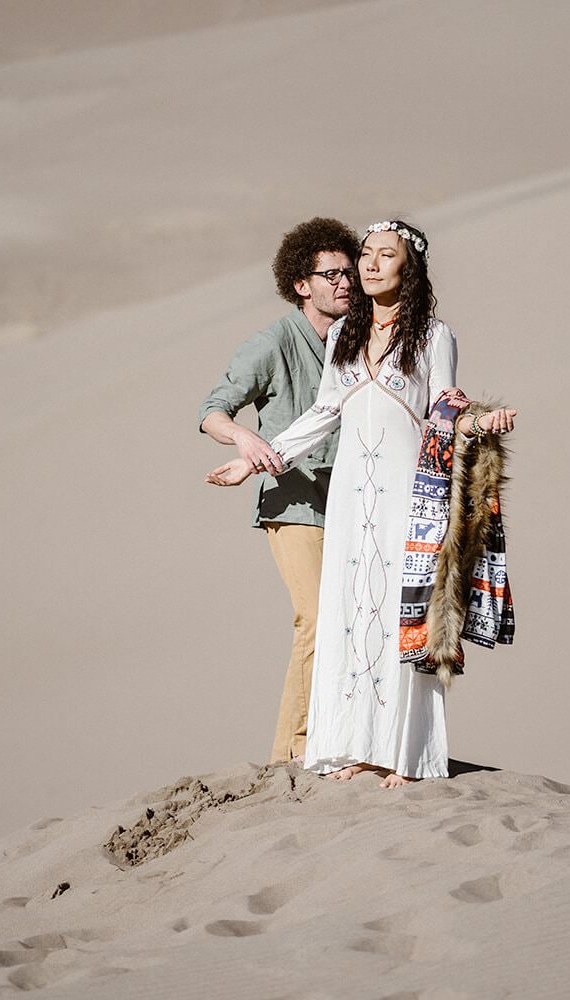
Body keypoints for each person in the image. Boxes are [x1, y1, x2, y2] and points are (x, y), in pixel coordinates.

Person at [208, 221, 517, 787]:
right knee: (350, 612)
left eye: (383, 256)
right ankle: (353, 744)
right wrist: (254, 459)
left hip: (406, 492)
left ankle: (402, 755)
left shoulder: (432, 335)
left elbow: (443, 411)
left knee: (401, 613)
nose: (368, 266)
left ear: (410, 268)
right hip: (350, 495)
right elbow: (325, 412)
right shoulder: (344, 334)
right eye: (365, 255)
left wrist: (481, 419)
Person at [198, 217, 362, 765]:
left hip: (352, 504)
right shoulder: (271, 343)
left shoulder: (358, 340)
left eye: (350, 272)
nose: (345, 283)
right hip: (293, 503)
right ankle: (289, 757)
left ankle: (342, 743)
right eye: (331, 274)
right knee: (315, 619)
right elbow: (212, 412)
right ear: (301, 283)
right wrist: (243, 437)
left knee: (352, 625)